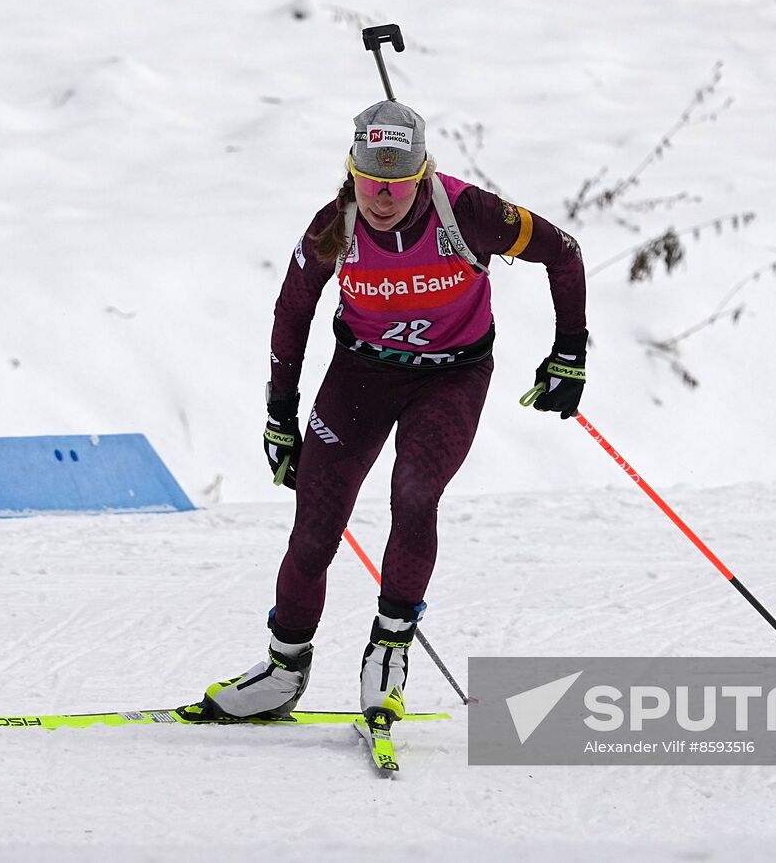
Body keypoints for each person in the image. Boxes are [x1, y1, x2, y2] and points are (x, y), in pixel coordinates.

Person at [185, 100, 588, 722]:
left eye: (399, 181)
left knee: (415, 493)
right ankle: (283, 670)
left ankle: (389, 652)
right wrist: (279, 414)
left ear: (423, 173)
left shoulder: (472, 213)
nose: (382, 195)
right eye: (369, 178)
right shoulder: (334, 227)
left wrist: (568, 355)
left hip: (451, 376)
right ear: (351, 170)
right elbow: (291, 313)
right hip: (362, 372)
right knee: (316, 522)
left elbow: (564, 252)